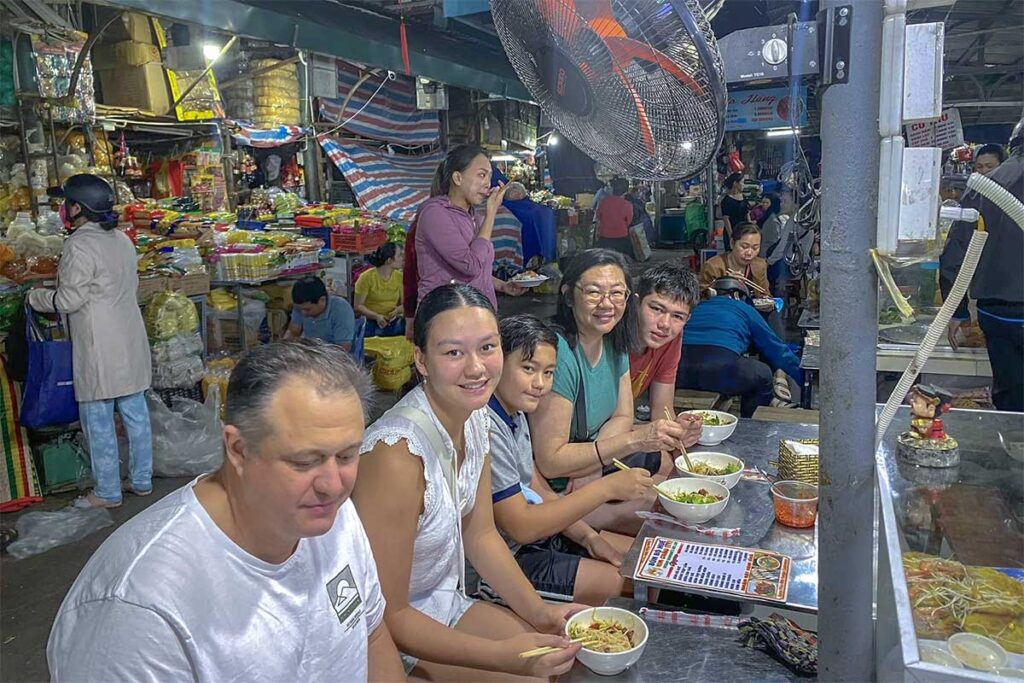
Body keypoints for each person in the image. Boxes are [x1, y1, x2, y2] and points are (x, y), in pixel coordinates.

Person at [47, 340, 405, 681]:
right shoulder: (140, 609)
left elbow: (370, 633)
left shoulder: (332, 515)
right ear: (238, 449)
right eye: (304, 461)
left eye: (346, 455)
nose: (333, 484)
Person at [354, 284, 583, 681]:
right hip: (385, 635)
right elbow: (389, 613)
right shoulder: (397, 455)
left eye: (487, 348)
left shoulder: (475, 417)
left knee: (558, 660)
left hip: (446, 602)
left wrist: (540, 612)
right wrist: (503, 657)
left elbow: (481, 535)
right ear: (421, 360)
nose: (476, 368)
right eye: (453, 353)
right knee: (532, 676)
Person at [529, 250, 700, 534]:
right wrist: (627, 445)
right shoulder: (558, 354)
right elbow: (550, 462)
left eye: (617, 293)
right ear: (569, 295)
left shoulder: (615, 339)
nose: (607, 304)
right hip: (553, 489)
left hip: (591, 466)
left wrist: (595, 464)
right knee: (668, 515)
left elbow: (623, 417)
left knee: (677, 497)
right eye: (594, 292)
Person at [487, 314, 652, 606]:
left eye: (549, 373)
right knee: (634, 584)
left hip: (543, 535)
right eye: (528, 369)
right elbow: (521, 528)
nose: (540, 384)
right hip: (506, 562)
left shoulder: (515, 413)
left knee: (646, 562)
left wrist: (590, 539)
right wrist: (608, 488)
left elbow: (538, 489)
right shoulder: (487, 427)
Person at [27, 174, 152, 509]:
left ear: (77, 208)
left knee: (98, 420)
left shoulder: (79, 245)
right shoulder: (122, 240)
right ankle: (141, 480)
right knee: (136, 414)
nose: (63, 209)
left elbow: (68, 300)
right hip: (129, 337)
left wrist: (36, 297)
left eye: (65, 203)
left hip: (100, 344)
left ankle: (108, 492)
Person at [941, 119, 1023, 411]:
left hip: (997, 315)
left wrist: (957, 312)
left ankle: (1010, 436)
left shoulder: (984, 186)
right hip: (1001, 312)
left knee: (1010, 396)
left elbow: (954, 255)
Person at [415, 144, 524, 311]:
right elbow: (470, 266)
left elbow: (480, 270)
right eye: (481, 175)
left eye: (489, 176)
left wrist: (503, 286)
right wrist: (491, 213)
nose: (487, 183)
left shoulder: (474, 217)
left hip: (478, 312)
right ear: (458, 178)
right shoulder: (434, 214)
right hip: (445, 314)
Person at [677, 277, 802, 417]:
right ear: (738, 296)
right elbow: (777, 350)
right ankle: (749, 423)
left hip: (680, 370)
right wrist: (804, 377)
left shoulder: (695, 308)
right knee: (763, 374)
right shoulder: (745, 309)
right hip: (720, 369)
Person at [629, 262, 702, 424]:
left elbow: (662, 408)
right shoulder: (613, 334)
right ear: (636, 303)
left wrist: (677, 430)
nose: (665, 324)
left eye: (678, 316)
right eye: (656, 309)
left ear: (687, 319)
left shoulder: (671, 337)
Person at [285, 276, 356, 350]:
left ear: (322, 300)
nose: (303, 313)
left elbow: (344, 348)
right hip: (311, 350)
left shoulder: (341, 310)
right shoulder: (302, 306)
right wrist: (284, 348)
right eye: (300, 309)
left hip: (333, 353)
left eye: (308, 309)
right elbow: (293, 331)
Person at [700, 222, 771, 296]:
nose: (749, 253)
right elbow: (702, 297)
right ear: (732, 243)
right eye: (744, 247)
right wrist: (727, 283)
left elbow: (766, 296)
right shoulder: (712, 266)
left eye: (755, 248)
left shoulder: (760, 266)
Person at [354, 242, 404, 337]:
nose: (402, 259)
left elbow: (405, 304)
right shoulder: (366, 278)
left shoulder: (400, 277)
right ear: (389, 260)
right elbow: (358, 306)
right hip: (370, 320)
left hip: (392, 320)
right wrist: (376, 316)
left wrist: (397, 311)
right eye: (399, 256)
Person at [595, 177, 634, 257]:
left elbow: (598, 217)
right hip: (622, 238)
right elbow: (629, 222)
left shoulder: (604, 202)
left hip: (605, 238)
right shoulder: (628, 205)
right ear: (625, 191)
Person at [719, 173, 749, 250]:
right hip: (733, 230)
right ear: (735, 183)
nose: (744, 185)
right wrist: (731, 236)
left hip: (743, 231)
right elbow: (726, 220)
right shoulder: (727, 200)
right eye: (742, 182)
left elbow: (747, 214)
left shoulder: (744, 197)